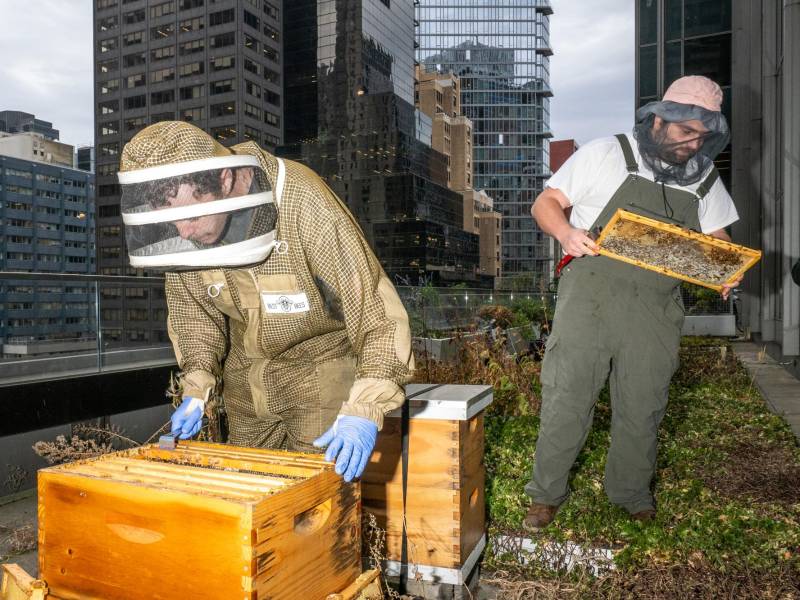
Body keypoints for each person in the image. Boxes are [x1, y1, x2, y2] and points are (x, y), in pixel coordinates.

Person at [118, 121, 415, 482]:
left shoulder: (302, 200)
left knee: (313, 497)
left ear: (225, 179)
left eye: (192, 216)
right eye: (173, 221)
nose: (184, 232)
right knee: (244, 488)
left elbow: (375, 311)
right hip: (245, 378)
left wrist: (366, 405)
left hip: (319, 369)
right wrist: (197, 387)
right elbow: (193, 315)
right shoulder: (187, 233)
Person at [525, 75, 741, 526]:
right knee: (568, 395)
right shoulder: (607, 153)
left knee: (644, 402)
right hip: (590, 300)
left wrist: (726, 269)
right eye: (686, 132)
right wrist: (566, 232)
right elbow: (545, 202)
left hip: (655, 310)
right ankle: (546, 494)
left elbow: (718, 237)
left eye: (702, 136)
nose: (693, 144)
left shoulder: (704, 176)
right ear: (660, 120)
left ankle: (631, 492)